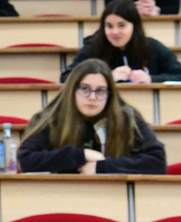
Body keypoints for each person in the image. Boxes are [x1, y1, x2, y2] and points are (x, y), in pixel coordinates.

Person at [19, 59, 166, 175]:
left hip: (114, 197)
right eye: (85, 89)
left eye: (100, 91)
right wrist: (80, 155)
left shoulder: (127, 118)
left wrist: (102, 167)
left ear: (110, 95)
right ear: (72, 90)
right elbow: (27, 160)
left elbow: (157, 162)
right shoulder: (51, 119)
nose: (92, 97)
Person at [61, 0, 181, 83]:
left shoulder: (152, 47)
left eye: (121, 25)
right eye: (109, 26)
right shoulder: (93, 48)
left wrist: (152, 79)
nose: (115, 32)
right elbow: (66, 77)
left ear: (134, 26)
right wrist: (105, 78)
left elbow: (178, 74)